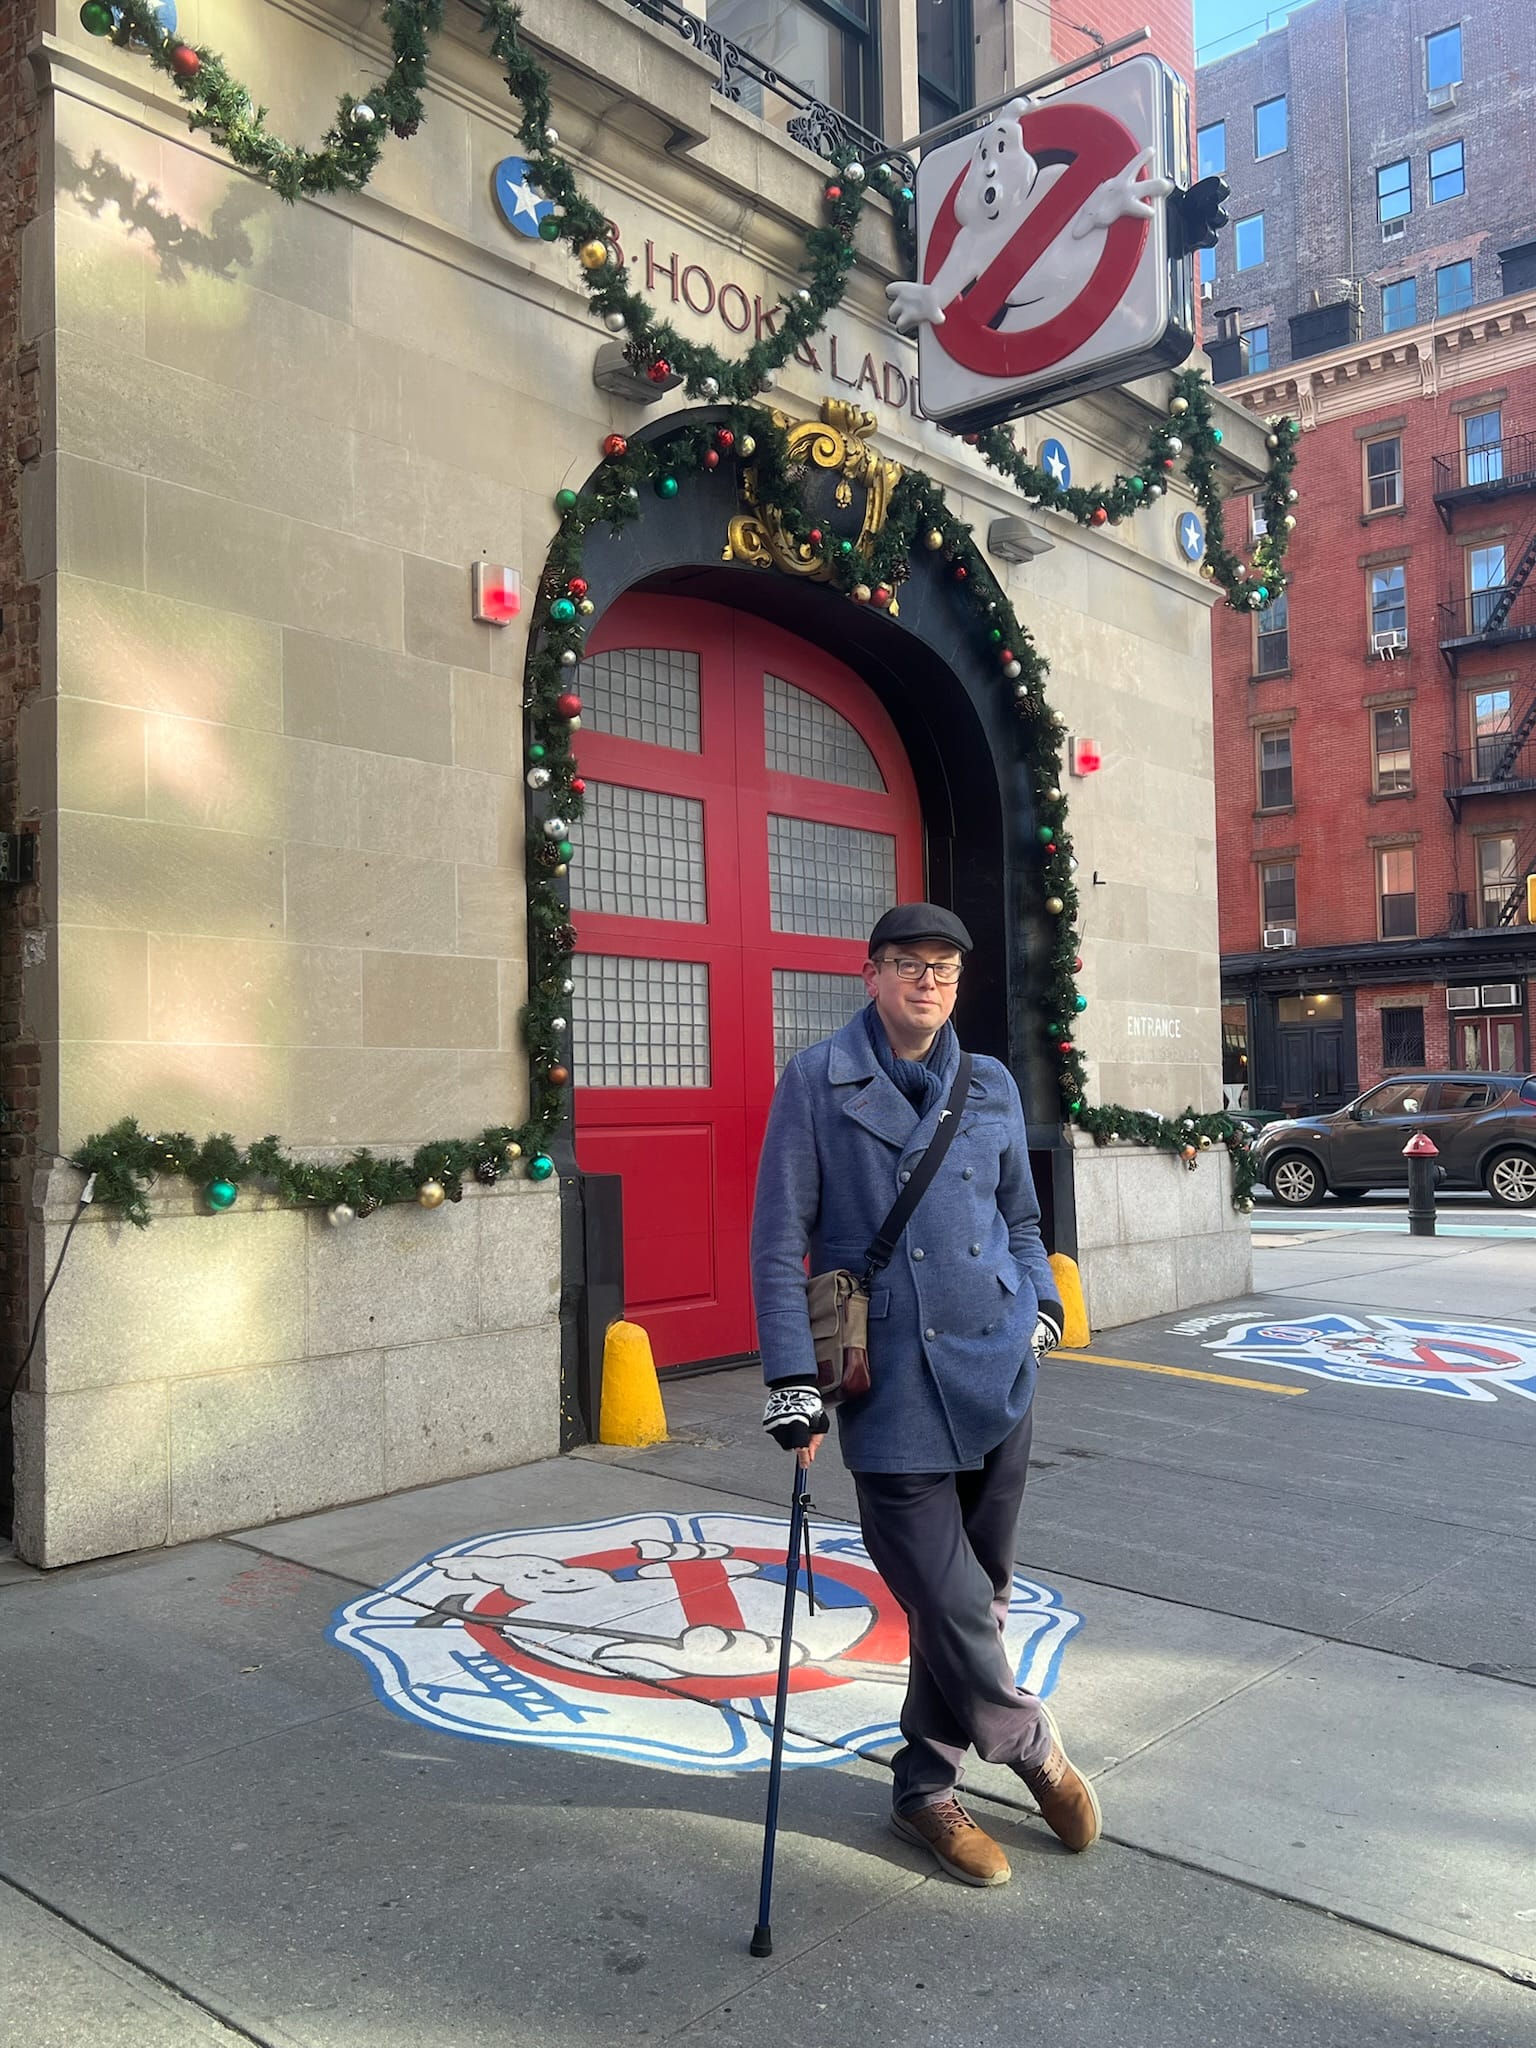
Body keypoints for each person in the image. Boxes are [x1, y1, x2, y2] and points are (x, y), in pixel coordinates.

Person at [750, 902, 1100, 1888]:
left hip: (1000, 1370)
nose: (928, 982)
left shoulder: (987, 1081)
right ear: (872, 974)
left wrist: (1039, 1306)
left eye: (944, 967)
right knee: (948, 1598)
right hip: (893, 1384)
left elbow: (1023, 1217)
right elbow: (781, 1240)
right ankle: (1029, 1743)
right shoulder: (818, 1080)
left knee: (974, 1595)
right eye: (908, 964)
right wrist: (790, 1377)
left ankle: (924, 1788)